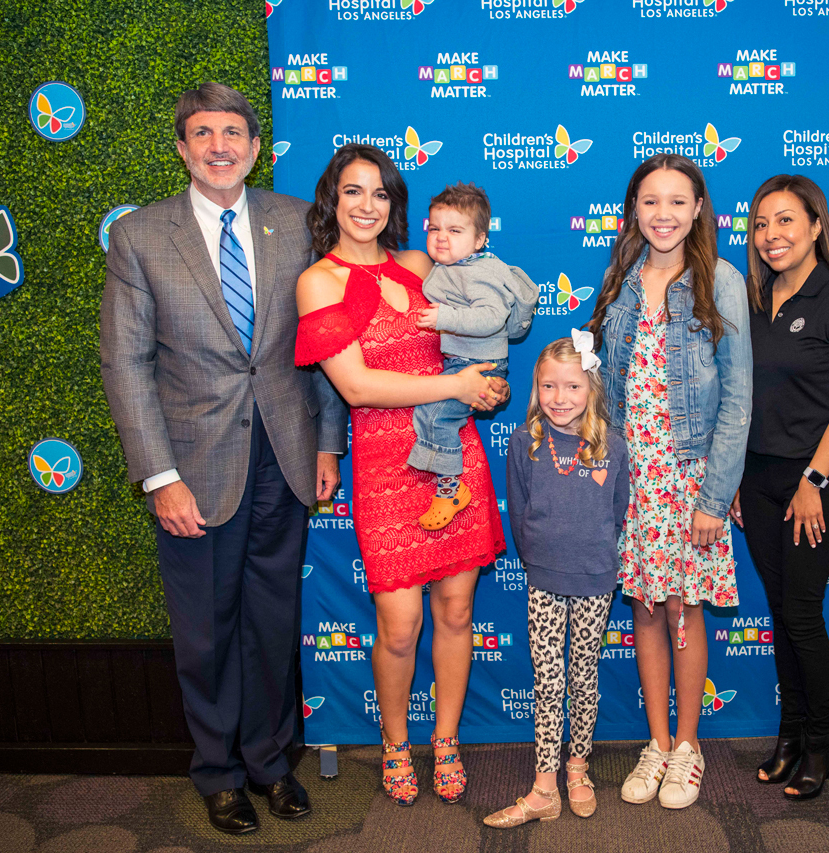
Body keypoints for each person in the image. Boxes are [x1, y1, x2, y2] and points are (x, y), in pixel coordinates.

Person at [99, 82, 346, 834]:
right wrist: (160, 476)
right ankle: (218, 772)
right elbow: (126, 364)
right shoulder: (141, 236)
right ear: (182, 148)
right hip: (193, 469)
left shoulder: (295, 222)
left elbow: (325, 340)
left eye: (232, 132)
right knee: (206, 629)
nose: (218, 146)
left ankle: (271, 761)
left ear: (254, 146)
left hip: (286, 455)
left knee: (272, 620)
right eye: (202, 133)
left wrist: (329, 441)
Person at [293, 144, 508, 807]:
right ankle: (394, 741)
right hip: (387, 465)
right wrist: (459, 382)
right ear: (333, 200)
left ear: (395, 205)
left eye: (380, 193)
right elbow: (356, 386)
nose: (366, 206)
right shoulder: (317, 282)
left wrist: (486, 383)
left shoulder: (422, 263)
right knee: (399, 624)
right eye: (353, 192)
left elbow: (493, 316)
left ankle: (445, 740)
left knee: (458, 608)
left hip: (454, 456)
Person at [587, 153, 752, 810]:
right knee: (647, 612)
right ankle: (655, 743)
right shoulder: (620, 280)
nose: (663, 214)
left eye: (678, 201)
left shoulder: (722, 281)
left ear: (700, 210)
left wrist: (715, 496)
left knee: (685, 611)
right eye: (650, 202)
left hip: (691, 482)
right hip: (636, 481)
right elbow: (608, 388)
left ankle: (687, 747)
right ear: (634, 211)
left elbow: (738, 398)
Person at [729, 175, 829, 800]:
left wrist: (813, 480)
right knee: (783, 610)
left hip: (817, 478)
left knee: (803, 612)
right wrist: (733, 478)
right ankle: (791, 735)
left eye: (785, 221)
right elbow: (740, 400)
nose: (771, 236)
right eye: (761, 224)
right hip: (759, 477)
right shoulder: (753, 302)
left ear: (817, 225)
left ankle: (821, 741)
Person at [484, 333, 630, 828]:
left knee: (583, 676)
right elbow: (518, 507)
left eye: (571, 387)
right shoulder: (525, 442)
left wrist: (597, 559)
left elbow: (617, 513)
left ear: (589, 389)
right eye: (549, 386)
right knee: (548, 680)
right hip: (543, 578)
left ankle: (578, 768)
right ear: (537, 388)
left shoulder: (612, 445)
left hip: (594, 578)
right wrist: (536, 558)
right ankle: (544, 786)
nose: (560, 399)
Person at [410, 182, 538, 530]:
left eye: (454, 230)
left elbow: (491, 318)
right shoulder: (455, 267)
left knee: (434, 415)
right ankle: (447, 481)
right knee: (434, 414)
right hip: (463, 362)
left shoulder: (480, 273)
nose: (440, 237)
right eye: (434, 228)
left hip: (479, 365)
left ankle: (450, 488)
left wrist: (444, 318)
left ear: (480, 239)